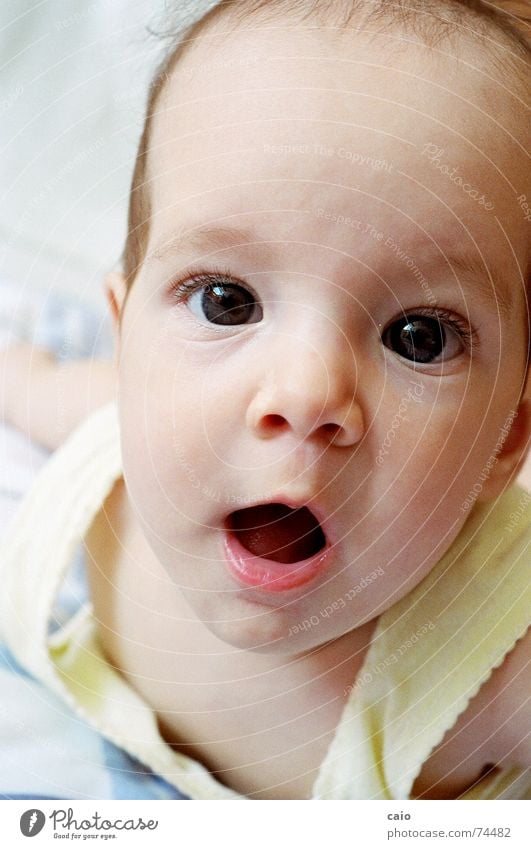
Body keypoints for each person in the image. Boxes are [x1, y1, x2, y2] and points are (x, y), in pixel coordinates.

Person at [0, 0, 530, 800]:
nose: (305, 393)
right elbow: (34, 387)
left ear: (504, 437)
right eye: (227, 301)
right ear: (126, 349)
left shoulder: (496, 662)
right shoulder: (101, 447)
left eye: (417, 336)